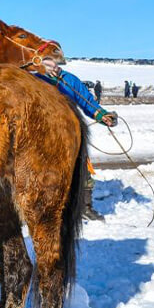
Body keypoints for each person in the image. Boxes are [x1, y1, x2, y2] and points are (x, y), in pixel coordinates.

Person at [37, 57, 117, 221]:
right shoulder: (34, 79)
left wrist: (103, 116)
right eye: (47, 62)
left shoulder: (70, 80)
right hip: (42, 134)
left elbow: (87, 101)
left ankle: (85, 207)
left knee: (81, 171)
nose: (52, 66)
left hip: (70, 133)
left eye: (54, 62)